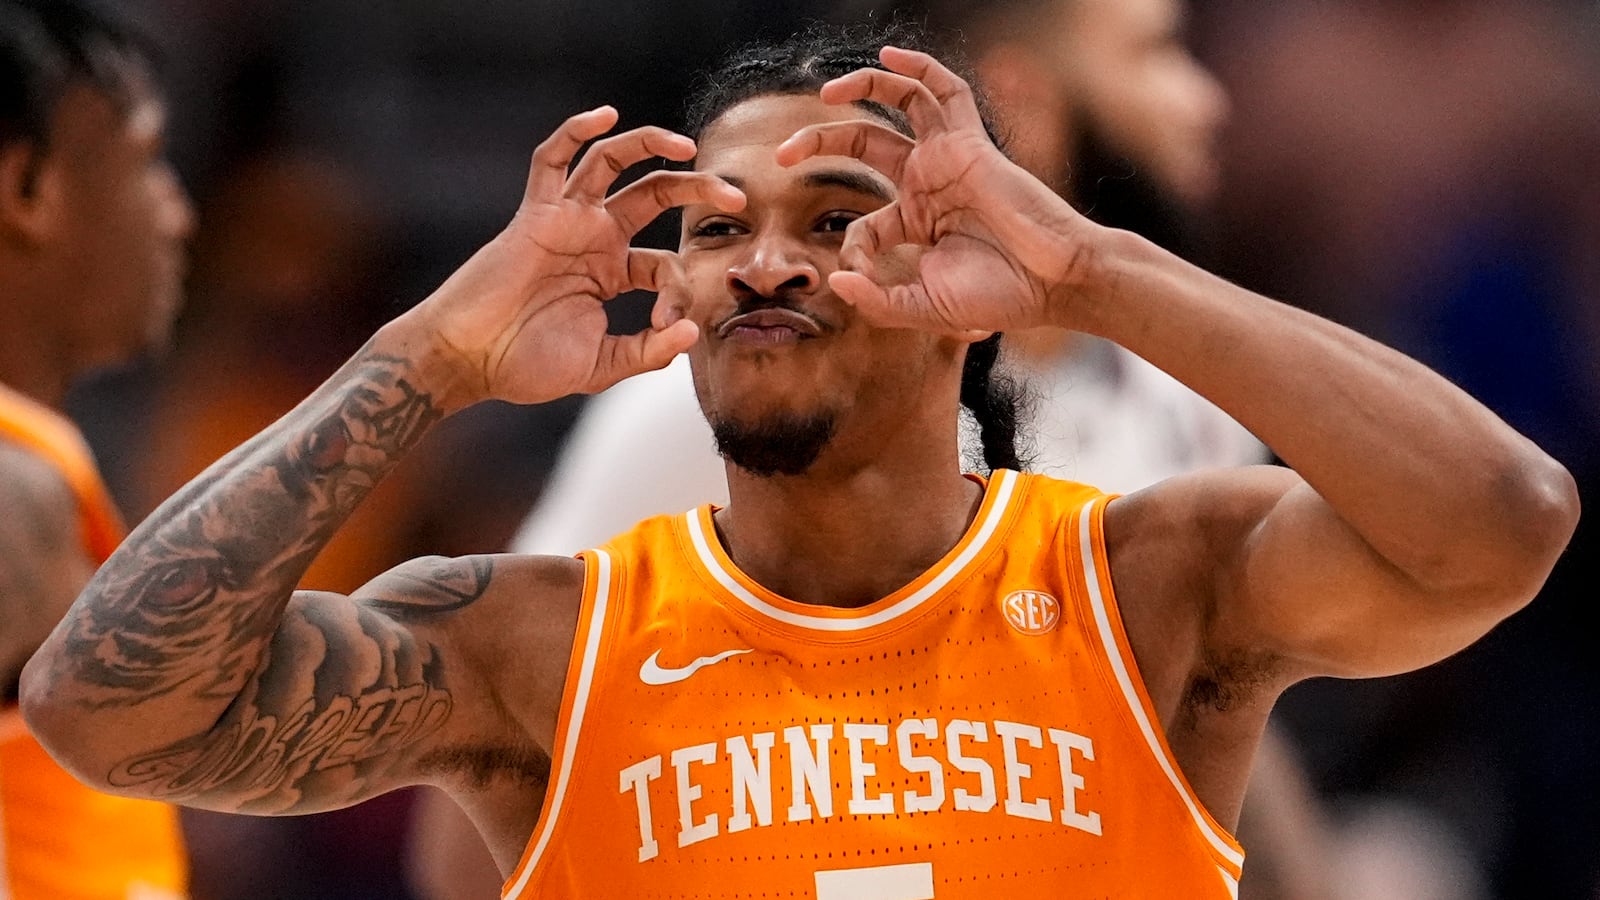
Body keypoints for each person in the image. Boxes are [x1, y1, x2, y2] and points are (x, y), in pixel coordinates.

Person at [21, 21, 1577, 900]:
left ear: (963, 275)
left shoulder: (1151, 582)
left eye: (834, 220)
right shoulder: (537, 646)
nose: (765, 263)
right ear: (678, 289)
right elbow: (98, 710)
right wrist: (425, 359)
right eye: (716, 229)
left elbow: (1503, 523)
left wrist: (1092, 269)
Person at [0, 0, 194, 897]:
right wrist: (424, 358)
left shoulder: (39, 468)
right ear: (26, 189)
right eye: (147, 162)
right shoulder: (13, 494)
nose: (177, 215)